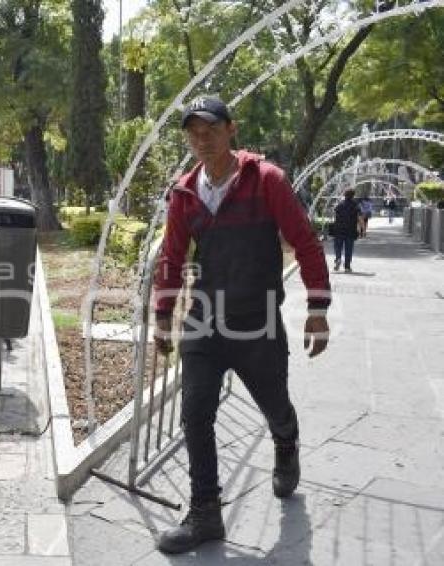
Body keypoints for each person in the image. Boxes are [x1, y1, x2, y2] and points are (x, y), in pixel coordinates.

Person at [153, 95, 331, 555]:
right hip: (204, 323)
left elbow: (305, 242)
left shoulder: (266, 180)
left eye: (210, 127)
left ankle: (286, 440)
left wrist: (318, 308)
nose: (201, 138)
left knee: (274, 406)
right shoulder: (185, 192)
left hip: (257, 324)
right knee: (194, 414)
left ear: (231, 129)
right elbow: (172, 258)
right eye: (193, 131)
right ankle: (205, 513)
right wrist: (162, 316)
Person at [332, 189, 361, 273]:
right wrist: (362, 230)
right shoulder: (355, 205)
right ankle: (347, 266)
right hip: (350, 230)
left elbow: (334, 215)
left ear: (344, 195)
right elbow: (359, 218)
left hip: (339, 229)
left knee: (338, 246)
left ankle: (338, 258)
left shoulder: (340, 204)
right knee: (349, 248)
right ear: (353, 196)